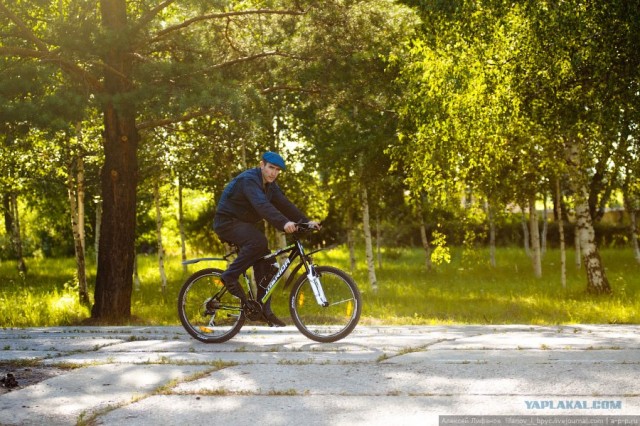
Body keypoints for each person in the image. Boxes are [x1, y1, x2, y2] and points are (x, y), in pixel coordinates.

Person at [213, 151, 321, 327]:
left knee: (268, 264)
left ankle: (263, 311)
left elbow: (285, 204)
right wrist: (284, 223)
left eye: (277, 170)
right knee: (258, 241)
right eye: (271, 168)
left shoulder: (271, 186)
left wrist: (306, 222)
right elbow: (262, 206)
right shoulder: (249, 180)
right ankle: (229, 276)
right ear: (261, 165)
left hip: (243, 224)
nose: (274, 173)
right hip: (227, 222)